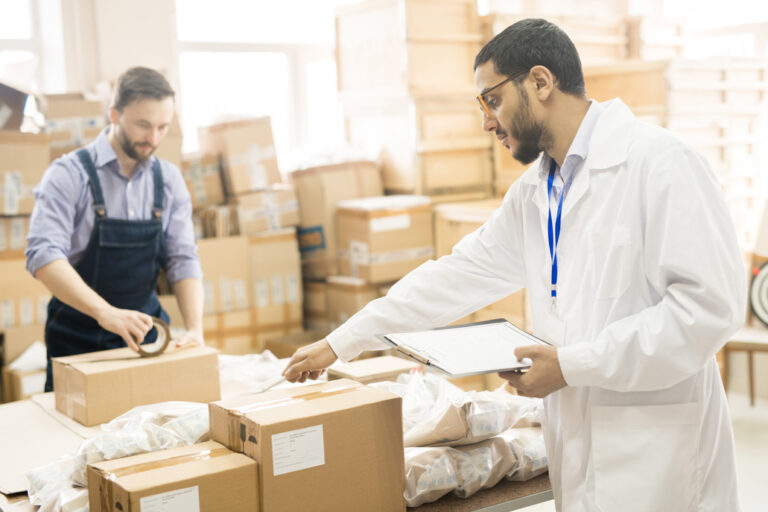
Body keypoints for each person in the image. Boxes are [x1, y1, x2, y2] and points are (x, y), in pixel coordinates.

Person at [283, 18, 746, 512]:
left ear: (541, 82)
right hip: (579, 444)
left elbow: (708, 311)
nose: (486, 122)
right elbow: (455, 276)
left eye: (492, 100)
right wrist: (344, 340)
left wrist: (571, 366)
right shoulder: (535, 192)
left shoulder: (661, 165)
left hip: (660, 454)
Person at [26, 66, 205, 392]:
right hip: (77, 340)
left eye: (163, 127)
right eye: (143, 125)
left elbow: (183, 258)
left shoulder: (168, 180)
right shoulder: (68, 175)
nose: (153, 138)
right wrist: (105, 313)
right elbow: (43, 256)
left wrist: (194, 328)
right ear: (113, 114)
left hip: (146, 338)